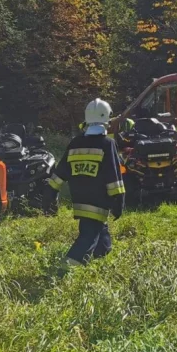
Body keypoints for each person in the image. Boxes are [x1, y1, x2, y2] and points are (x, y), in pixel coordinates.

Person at [48, 98, 126, 265]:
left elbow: (60, 172)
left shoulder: (75, 143)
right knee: (88, 236)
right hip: (99, 201)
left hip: (80, 201)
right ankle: (68, 266)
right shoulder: (107, 144)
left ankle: (102, 254)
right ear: (106, 118)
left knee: (97, 229)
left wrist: (50, 194)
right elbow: (114, 175)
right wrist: (119, 202)